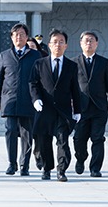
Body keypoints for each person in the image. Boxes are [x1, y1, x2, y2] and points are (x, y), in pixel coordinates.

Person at [29, 29, 81, 182]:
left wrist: (77, 110)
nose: (58, 45)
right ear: (49, 45)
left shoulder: (71, 66)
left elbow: (75, 89)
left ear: (66, 45)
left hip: (63, 110)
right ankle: (46, 168)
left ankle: (61, 170)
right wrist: (36, 99)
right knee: (44, 141)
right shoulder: (39, 63)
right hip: (44, 109)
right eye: (55, 42)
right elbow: (33, 83)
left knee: (63, 141)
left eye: (61, 42)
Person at [0, 23, 41, 176]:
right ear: (11, 38)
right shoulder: (4, 55)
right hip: (10, 100)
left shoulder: (35, 55)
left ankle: (24, 165)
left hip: (28, 100)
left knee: (27, 134)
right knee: (11, 131)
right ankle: (12, 164)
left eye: (21, 34)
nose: (18, 37)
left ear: (27, 37)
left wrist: (38, 99)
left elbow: (39, 79)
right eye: (15, 34)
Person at [73, 31, 108, 178]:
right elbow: (70, 85)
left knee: (98, 138)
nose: (89, 43)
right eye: (86, 41)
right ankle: (80, 158)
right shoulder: (73, 62)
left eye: (91, 41)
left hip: (99, 107)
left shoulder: (104, 62)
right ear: (80, 44)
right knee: (79, 138)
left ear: (96, 44)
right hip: (81, 107)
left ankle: (95, 168)